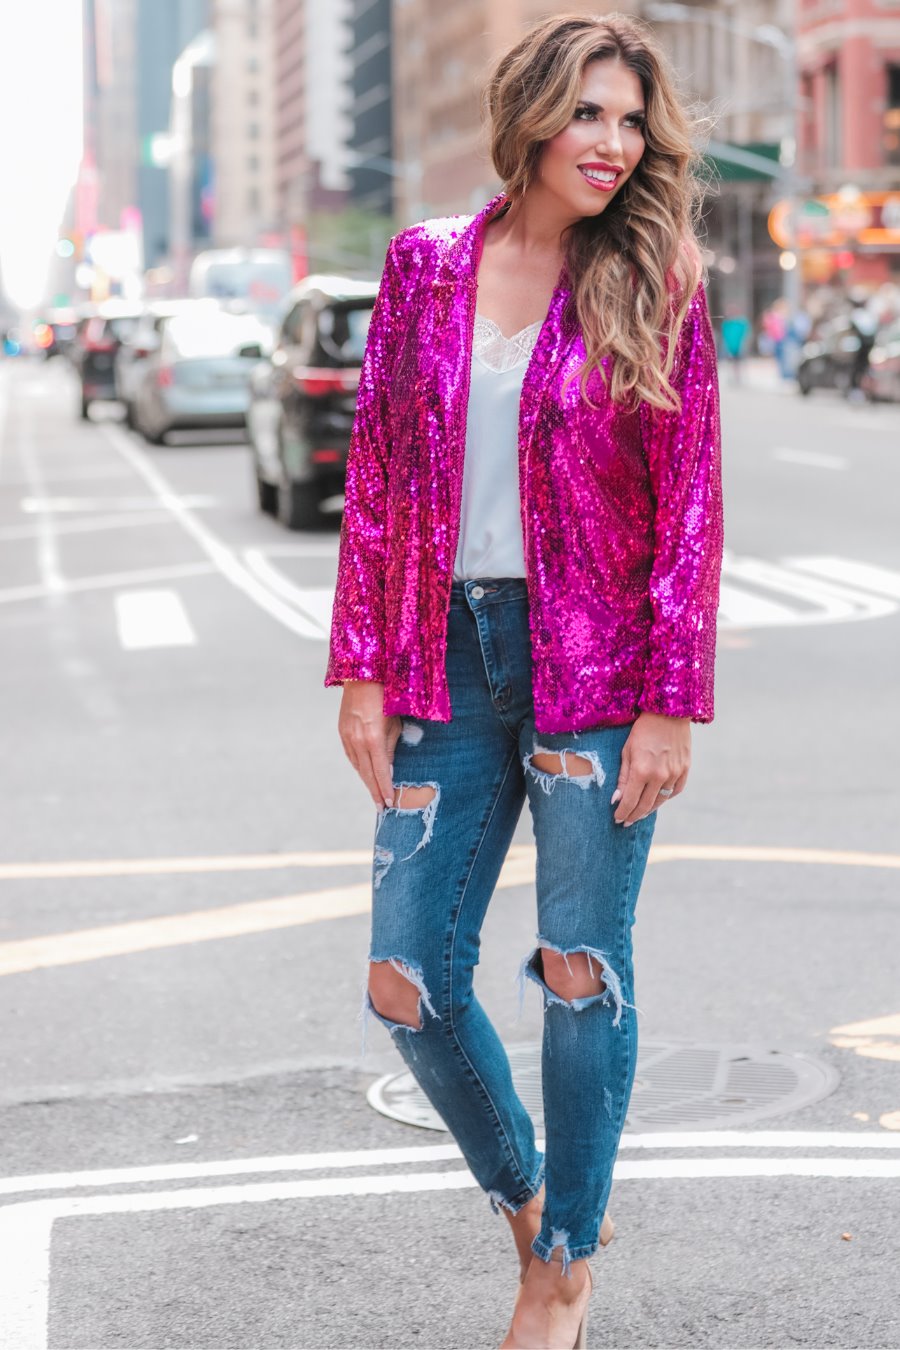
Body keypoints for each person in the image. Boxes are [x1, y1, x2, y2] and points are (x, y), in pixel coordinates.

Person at [326, 13, 723, 1349]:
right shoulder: (425, 265)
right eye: (589, 115)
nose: (613, 145)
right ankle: (534, 1200)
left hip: (596, 669)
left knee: (578, 968)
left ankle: (559, 1271)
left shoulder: (655, 275)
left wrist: (671, 697)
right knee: (407, 977)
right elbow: (377, 475)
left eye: (630, 120)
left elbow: (692, 503)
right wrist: (363, 671)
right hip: (442, 656)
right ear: (532, 116)